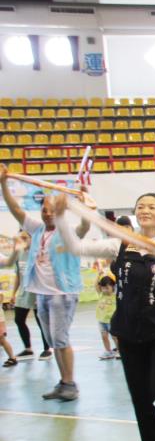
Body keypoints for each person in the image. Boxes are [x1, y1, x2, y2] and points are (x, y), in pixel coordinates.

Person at [54, 192, 155, 441]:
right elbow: (74, 247)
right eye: (140, 206)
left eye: (152, 207)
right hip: (129, 331)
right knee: (141, 397)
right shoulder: (119, 243)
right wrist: (60, 216)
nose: (145, 210)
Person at [1, 164, 89, 400]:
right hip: (41, 294)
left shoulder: (68, 230)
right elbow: (15, 209)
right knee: (52, 340)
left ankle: (70, 384)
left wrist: (83, 204)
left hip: (62, 294)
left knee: (60, 340)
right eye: (44, 210)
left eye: (52, 210)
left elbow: (85, 226)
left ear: (60, 212)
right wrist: (3, 184)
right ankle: (64, 382)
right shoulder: (37, 229)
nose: (47, 214)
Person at [1, 231, 50, 360]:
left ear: (32, 239)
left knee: (41, 321)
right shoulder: (19, 253)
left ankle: (47, 349)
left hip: (37, 291)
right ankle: (28, 349)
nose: (23, 240)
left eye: (25, 238)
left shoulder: (38, 253)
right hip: (23, 292)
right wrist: (13, 293)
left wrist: (42, 293)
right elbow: (18, 275)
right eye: (21, 238)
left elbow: (44, 274)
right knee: (19, 319)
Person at [95, 273, 117, 360]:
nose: (105, 290)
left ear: (113, 287)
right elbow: (96, 286)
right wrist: (98, 276)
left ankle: (120, 351)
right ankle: (108, 351)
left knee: (115, 337)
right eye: (103, 288)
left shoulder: (115, 296)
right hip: (101, 321)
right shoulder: (101, 294)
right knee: (104, 337)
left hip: (111, 321)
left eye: (107, 288)